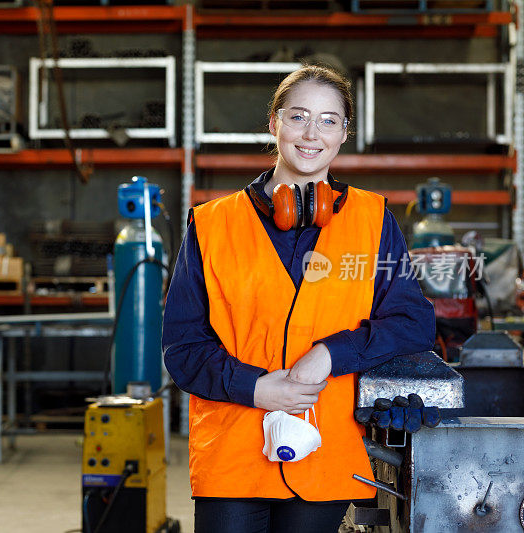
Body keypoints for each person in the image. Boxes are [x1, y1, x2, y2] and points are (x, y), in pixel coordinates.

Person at [162, 64, 435, 533]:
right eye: (298, 117)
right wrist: (256, 387)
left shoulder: (372, 220)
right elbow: (183, 348)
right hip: (233, 458)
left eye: (329, 120)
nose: (312, 134)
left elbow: (413, 320)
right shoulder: (212, 225)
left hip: (326, 456)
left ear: (344, 133)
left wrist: (332, 353)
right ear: (274, 123)